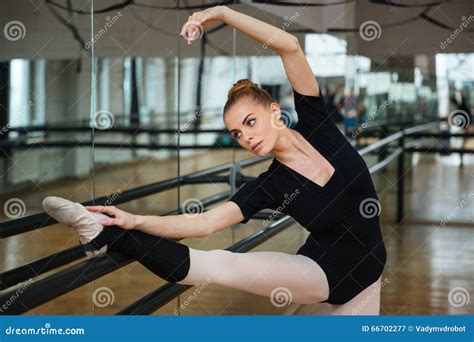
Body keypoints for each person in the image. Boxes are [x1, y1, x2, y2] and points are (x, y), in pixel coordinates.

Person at [42, 5, 386, 315]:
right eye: (237, 133)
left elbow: (289, 46)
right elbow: (204, 224)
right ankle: (105, 233)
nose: (246, 137)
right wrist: (132, 220)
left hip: (371, 277)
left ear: (274, 112)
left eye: (250, 122)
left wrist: (222, 12)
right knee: (221, 264)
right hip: (325, 273)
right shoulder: (272, 184)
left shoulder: (318, 125)